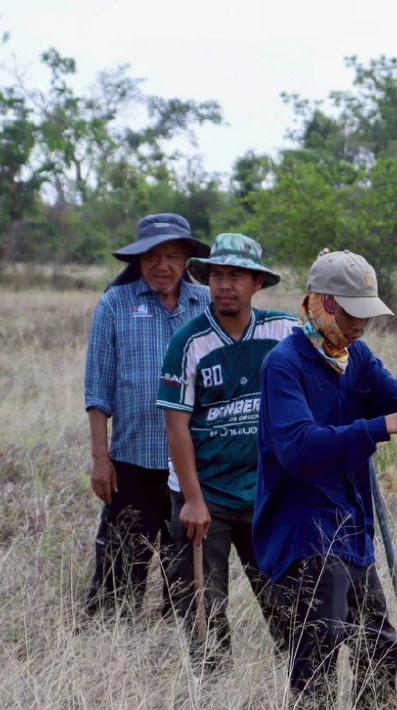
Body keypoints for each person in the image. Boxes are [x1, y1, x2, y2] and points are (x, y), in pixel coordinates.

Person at [253, 250, 397, 710]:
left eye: (367, 311)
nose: (362, 322)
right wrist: (385, 426)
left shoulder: (356, 356)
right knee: (319, 657)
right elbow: (298, 448)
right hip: (304, 530)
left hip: (350, 526)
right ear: (322, 303)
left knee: (380, 646)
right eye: (352, 310)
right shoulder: (284, 365)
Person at [158, 233, 294, 669]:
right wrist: (194, 501)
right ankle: (212, 699)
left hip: (264, 493)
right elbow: (176, 426)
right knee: (204, 605)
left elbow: (333, 341)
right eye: (217, 275)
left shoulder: (283, 331)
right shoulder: (189, 342)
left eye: (236, 275)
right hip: (206, 495)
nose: (224, 284)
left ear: (257, 282)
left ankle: (303, 685)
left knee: (283, 598)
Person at [83, 213, 210, 618]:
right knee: (118, 572)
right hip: (131, 460)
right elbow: (97, 390)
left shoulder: (207, 304)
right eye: (152, 256)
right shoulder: (116, 303)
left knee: (186, 572)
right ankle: (110, 645)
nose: (163, 266)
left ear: (187, 258)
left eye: (173, 255)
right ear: (138, 260)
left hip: (193, 464)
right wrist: (101, 461)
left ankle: (175, 649)